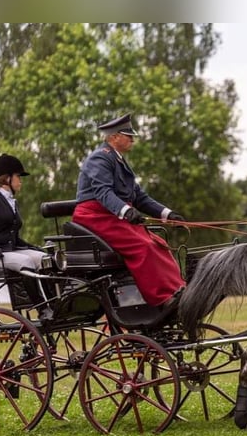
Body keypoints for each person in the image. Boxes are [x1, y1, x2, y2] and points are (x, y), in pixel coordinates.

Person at [73, 113, 186, 319]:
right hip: (95, 215)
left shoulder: (119, 161)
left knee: (159, 243)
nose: (132, 139)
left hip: (112, 214)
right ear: (114, 137)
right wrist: (126, 211)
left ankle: (177, 290)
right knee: (144, 247)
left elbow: (140, 197)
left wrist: (167, 214)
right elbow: (102, 192)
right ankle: (162, 297)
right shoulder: (100, 157)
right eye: (128, 135)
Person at [0, 154, 47, 309]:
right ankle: (42, 309)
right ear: (6, 179)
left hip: (7, 251)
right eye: (18, 176)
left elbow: (14, 238)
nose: (21, 180)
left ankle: (53, 304)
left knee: (44, 258)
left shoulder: (10, 201)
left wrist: (33, 247)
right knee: (25, 262)